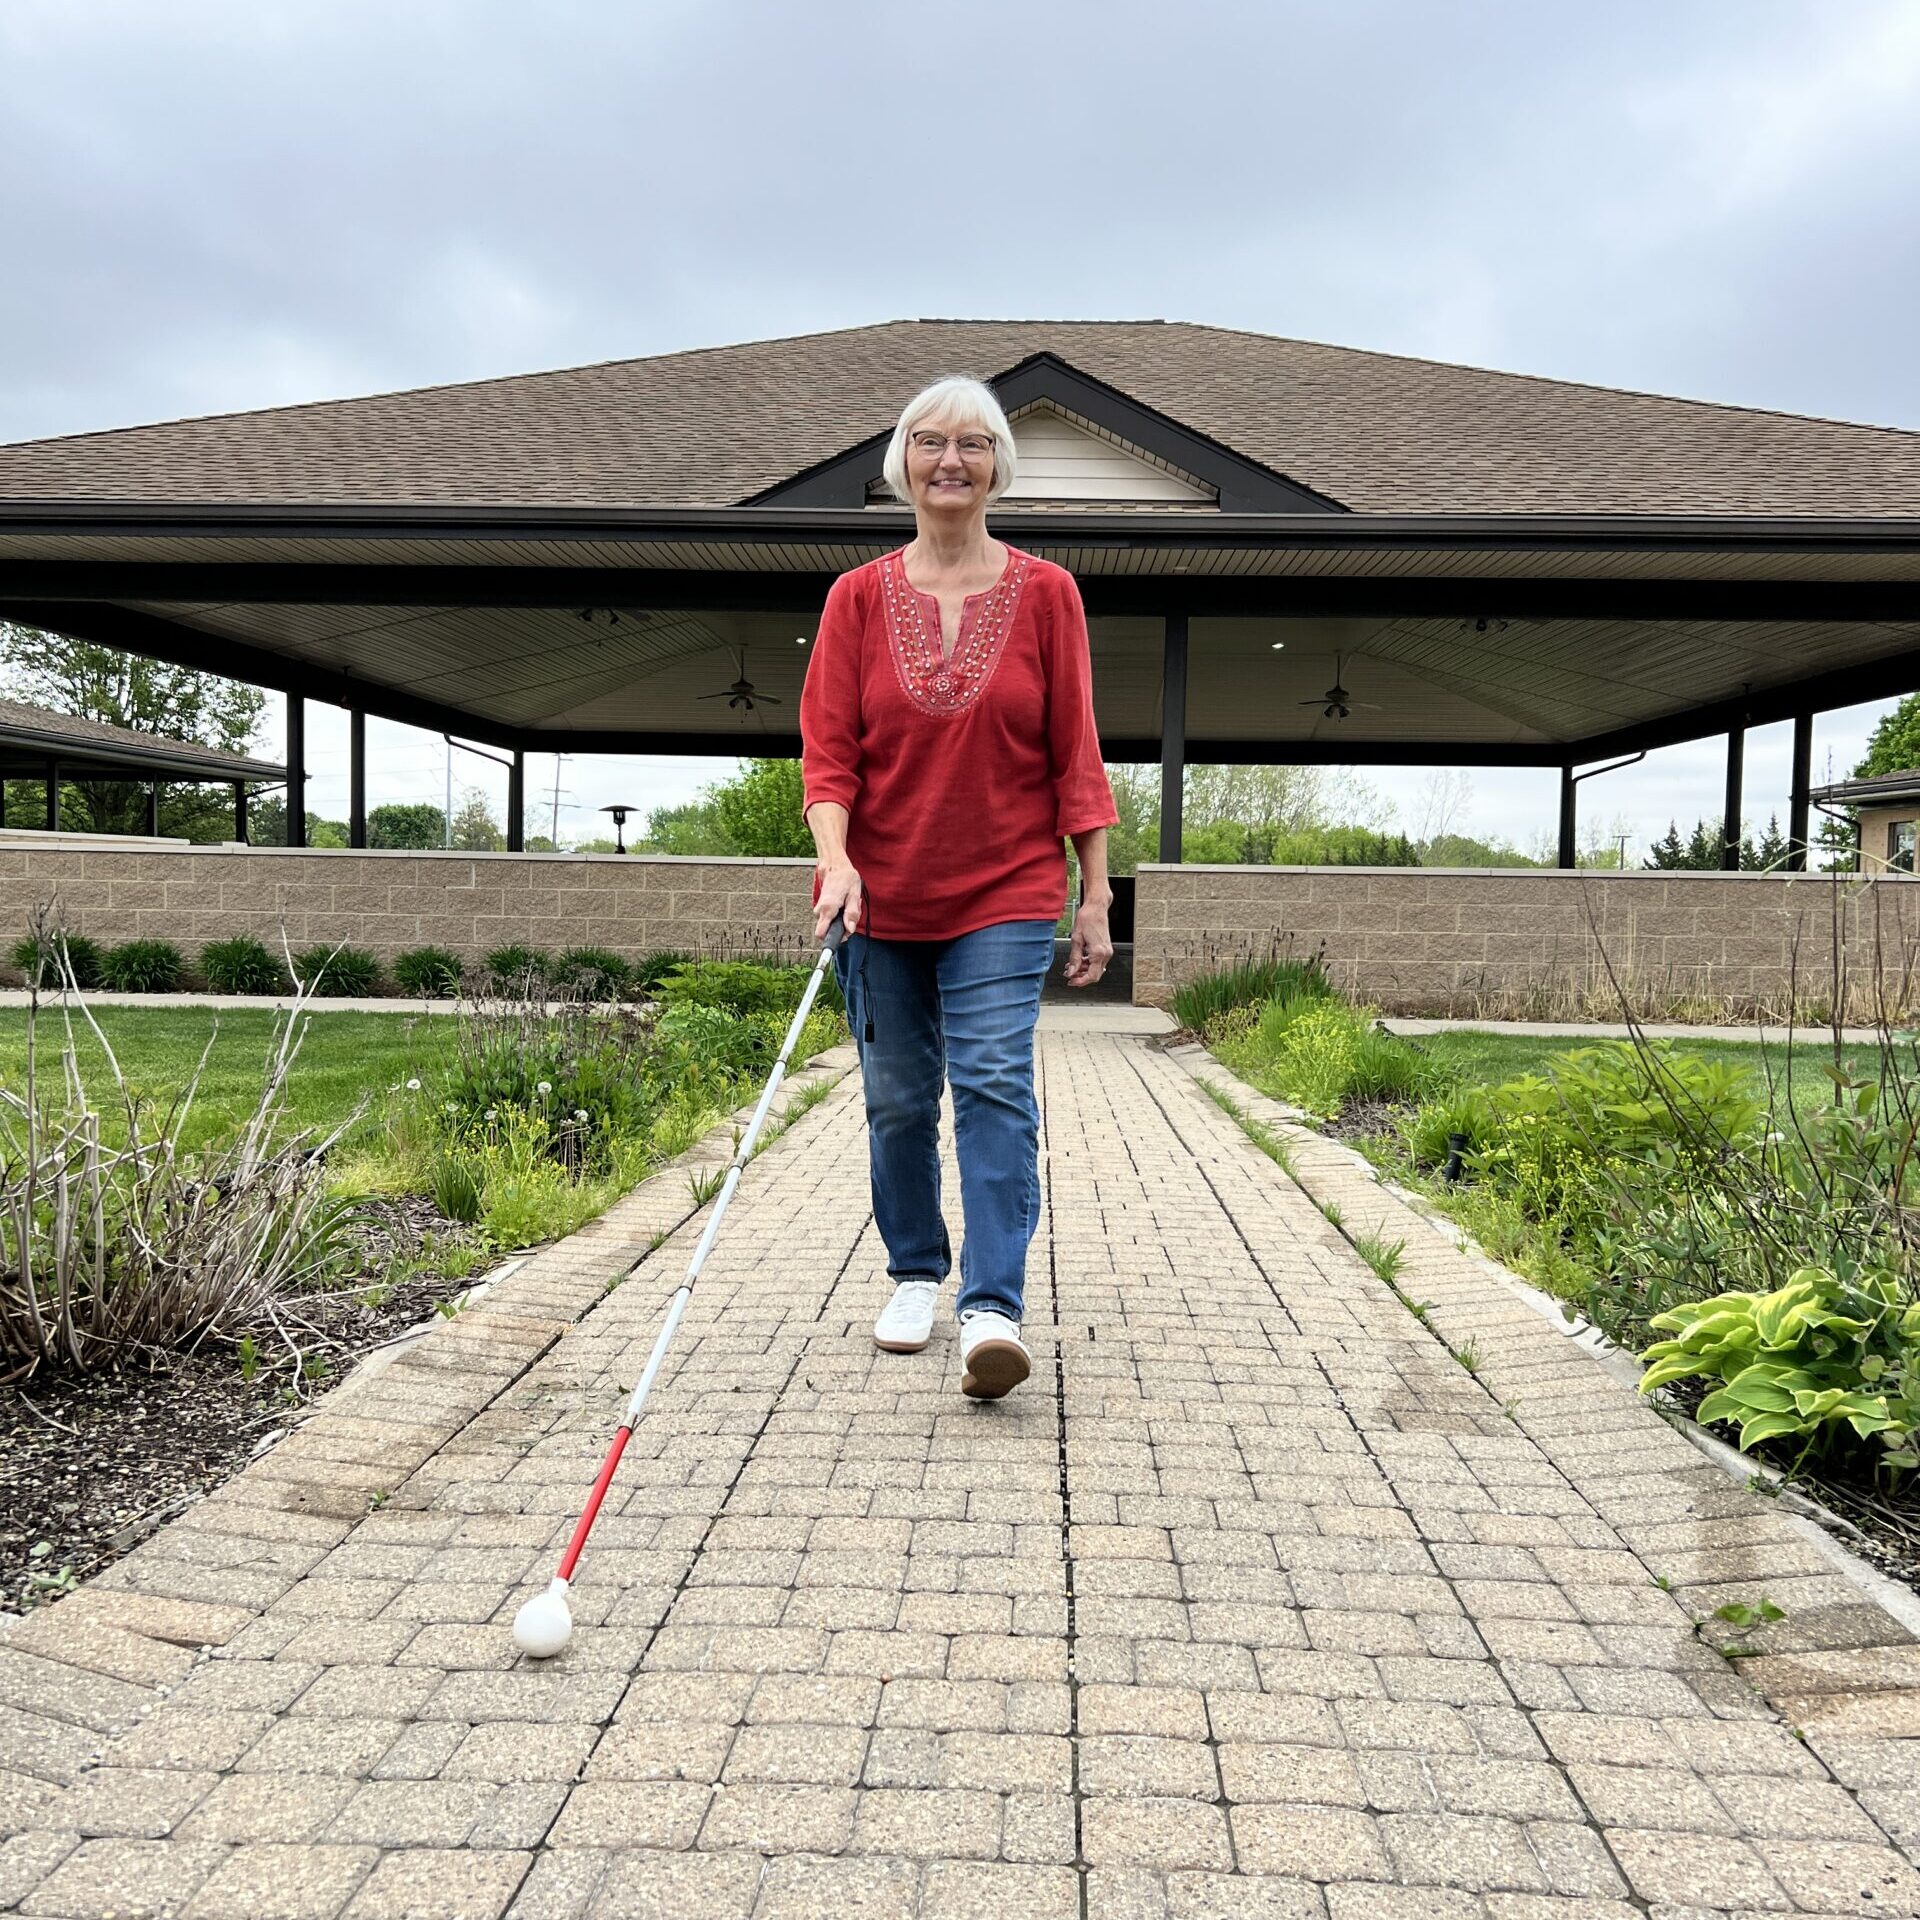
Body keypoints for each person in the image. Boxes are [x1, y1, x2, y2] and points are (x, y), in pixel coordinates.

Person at [799, 375, 1118, 1401]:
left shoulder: (1047, 594)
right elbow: (829, 758)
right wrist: (837, 860)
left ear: (996, 468)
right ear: (902, 463)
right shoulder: (854, 598)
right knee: (897, 1099)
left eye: (973, 444)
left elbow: (1078, 755)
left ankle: (992, 1305)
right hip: (880, 896)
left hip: (1007, 888)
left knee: (990, 1085)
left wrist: (1096, 893)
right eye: (930, 443)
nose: (951, 460)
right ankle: (913, 1271)